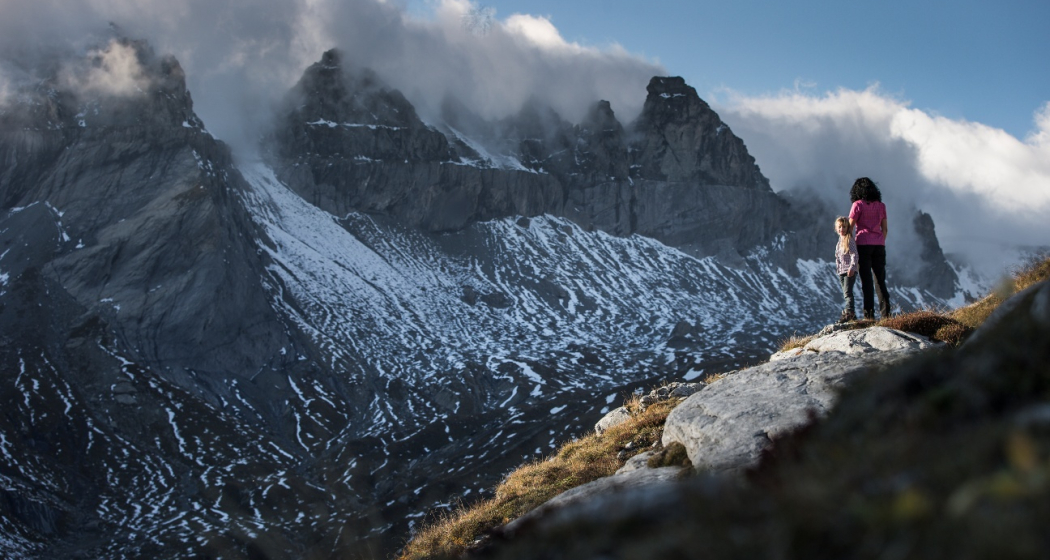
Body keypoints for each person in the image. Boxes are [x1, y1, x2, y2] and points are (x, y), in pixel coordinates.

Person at [848, 177, 890, 320]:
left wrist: (851, 245)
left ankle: (869, 316)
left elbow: (850, 227)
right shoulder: (881, 206)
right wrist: (880, 240)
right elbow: (885, 229)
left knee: (867, 282)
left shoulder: (857, 205)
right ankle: (886, 315)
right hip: (879, 245)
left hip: (863, 245)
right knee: (880, 280)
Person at [834, 216, 858, 323]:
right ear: (836, 228)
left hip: (849, 271)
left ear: (848, 227)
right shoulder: (839, 242)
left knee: (848, 292)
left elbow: (854, 255)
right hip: (841, 271)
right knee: (845, 293)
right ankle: (849, 312)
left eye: (844, 227)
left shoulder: (849, 240)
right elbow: (837, 258)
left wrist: (852, 267)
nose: (841, 229)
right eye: (839, 227)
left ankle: (850, 312)